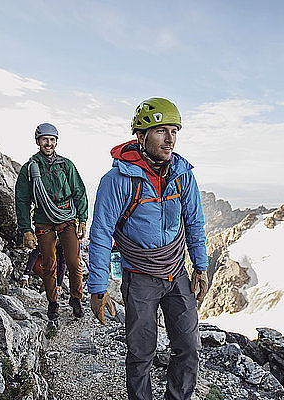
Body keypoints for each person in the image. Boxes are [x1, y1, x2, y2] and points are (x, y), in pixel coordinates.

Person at [87, 98, 209, 400]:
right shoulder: (117, 180)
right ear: (140, 136)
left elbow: (194, 221)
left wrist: (201, 266)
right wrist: (98, 289)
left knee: (190, 347)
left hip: (176, 271)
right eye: (161, 131)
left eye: (174, 131)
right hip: (139, 276)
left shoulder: (182, 174)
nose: (170, 139)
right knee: (141, 353)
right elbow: (101, 232)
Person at [15, 122, 88, 320]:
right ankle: (52, 302)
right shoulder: (29, 169)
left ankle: (76, 298)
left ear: (56, 142)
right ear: (38, 141)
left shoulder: (66, 165)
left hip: (66, 217)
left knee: (74, 261)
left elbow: (79, 191)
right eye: (45, 140)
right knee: (49, 263)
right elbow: (22, 199)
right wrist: (25, 229)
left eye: (52, 140)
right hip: (43, 220)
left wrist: (82, 218)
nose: (49, 143)